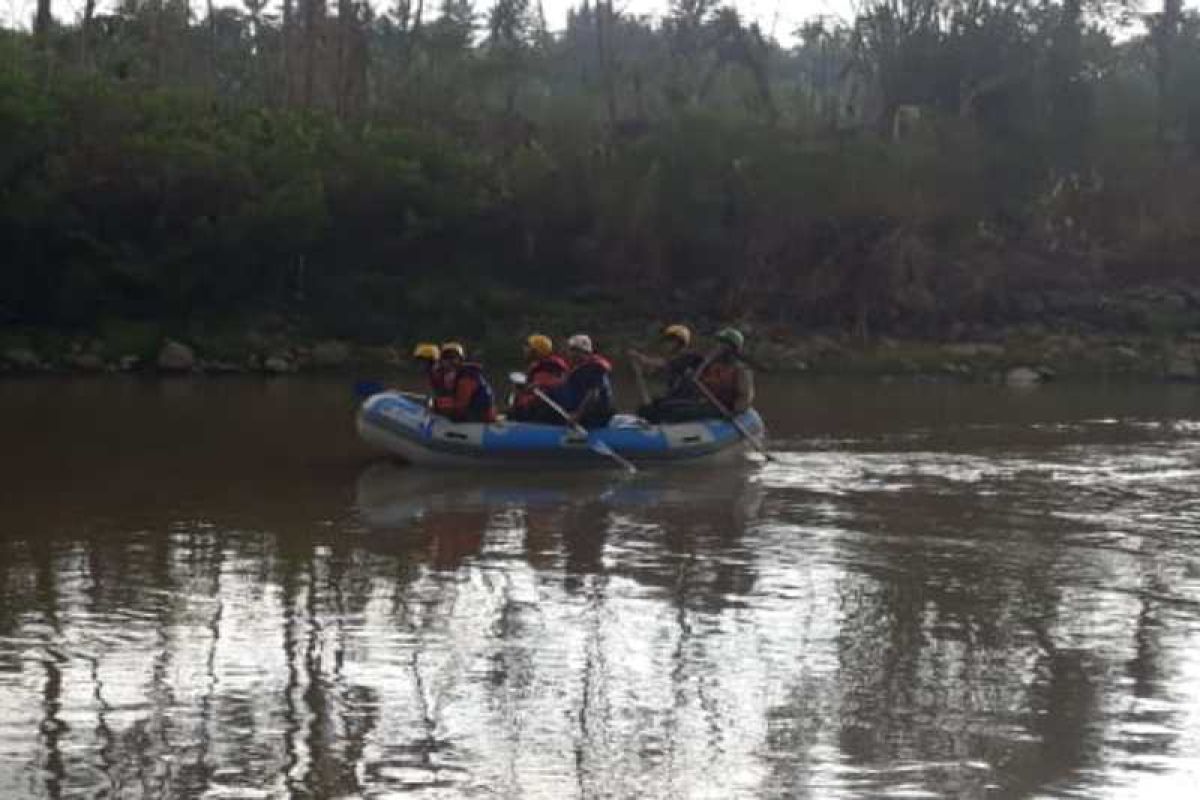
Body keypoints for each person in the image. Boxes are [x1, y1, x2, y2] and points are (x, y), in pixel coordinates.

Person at [627, 323, 706, 422]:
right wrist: (639, 368)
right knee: (646, 408)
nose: (665, 345)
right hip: (675, 399)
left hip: (687, 401)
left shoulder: (689, 358)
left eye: (669, 341)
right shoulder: (674, 360)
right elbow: (654, 371)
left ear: (678, 342)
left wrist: (641, 358)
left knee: (653, 409)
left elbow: (664, 364)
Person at [548, 334, 616, 428]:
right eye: (570, 350)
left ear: (583, 352)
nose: (569, 353)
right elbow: (561, 384)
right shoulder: (578, 369)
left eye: (573, 350)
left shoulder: (594, 369)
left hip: (595, 415)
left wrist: (578, 415)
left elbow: (593, 394)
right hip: (578, 412)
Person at [430, 342, 498, 423]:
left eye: (453, 358)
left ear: (460, 360)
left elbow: (461, 405)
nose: (449, 361)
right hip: (472, 413)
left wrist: (437, 404)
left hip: (481, 418)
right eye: (446, 358)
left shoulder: (466, 377)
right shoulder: (451, 376)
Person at [510, 334, 569, 423]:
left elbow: (536, 396)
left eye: (528, 347)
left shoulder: (548, 368)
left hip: (540, 416)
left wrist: (518, 404)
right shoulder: (539, 368)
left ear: (537, 351)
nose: (524, 350)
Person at [696, 327, 755, 415]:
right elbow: (697, 382)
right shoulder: (709, 364)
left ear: (733, 349)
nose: (718, 346)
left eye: (723, 344)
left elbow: (745, 396)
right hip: (707, 405)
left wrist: (734, 411)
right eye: (719, 343)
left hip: (724, 408)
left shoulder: (741, 370)